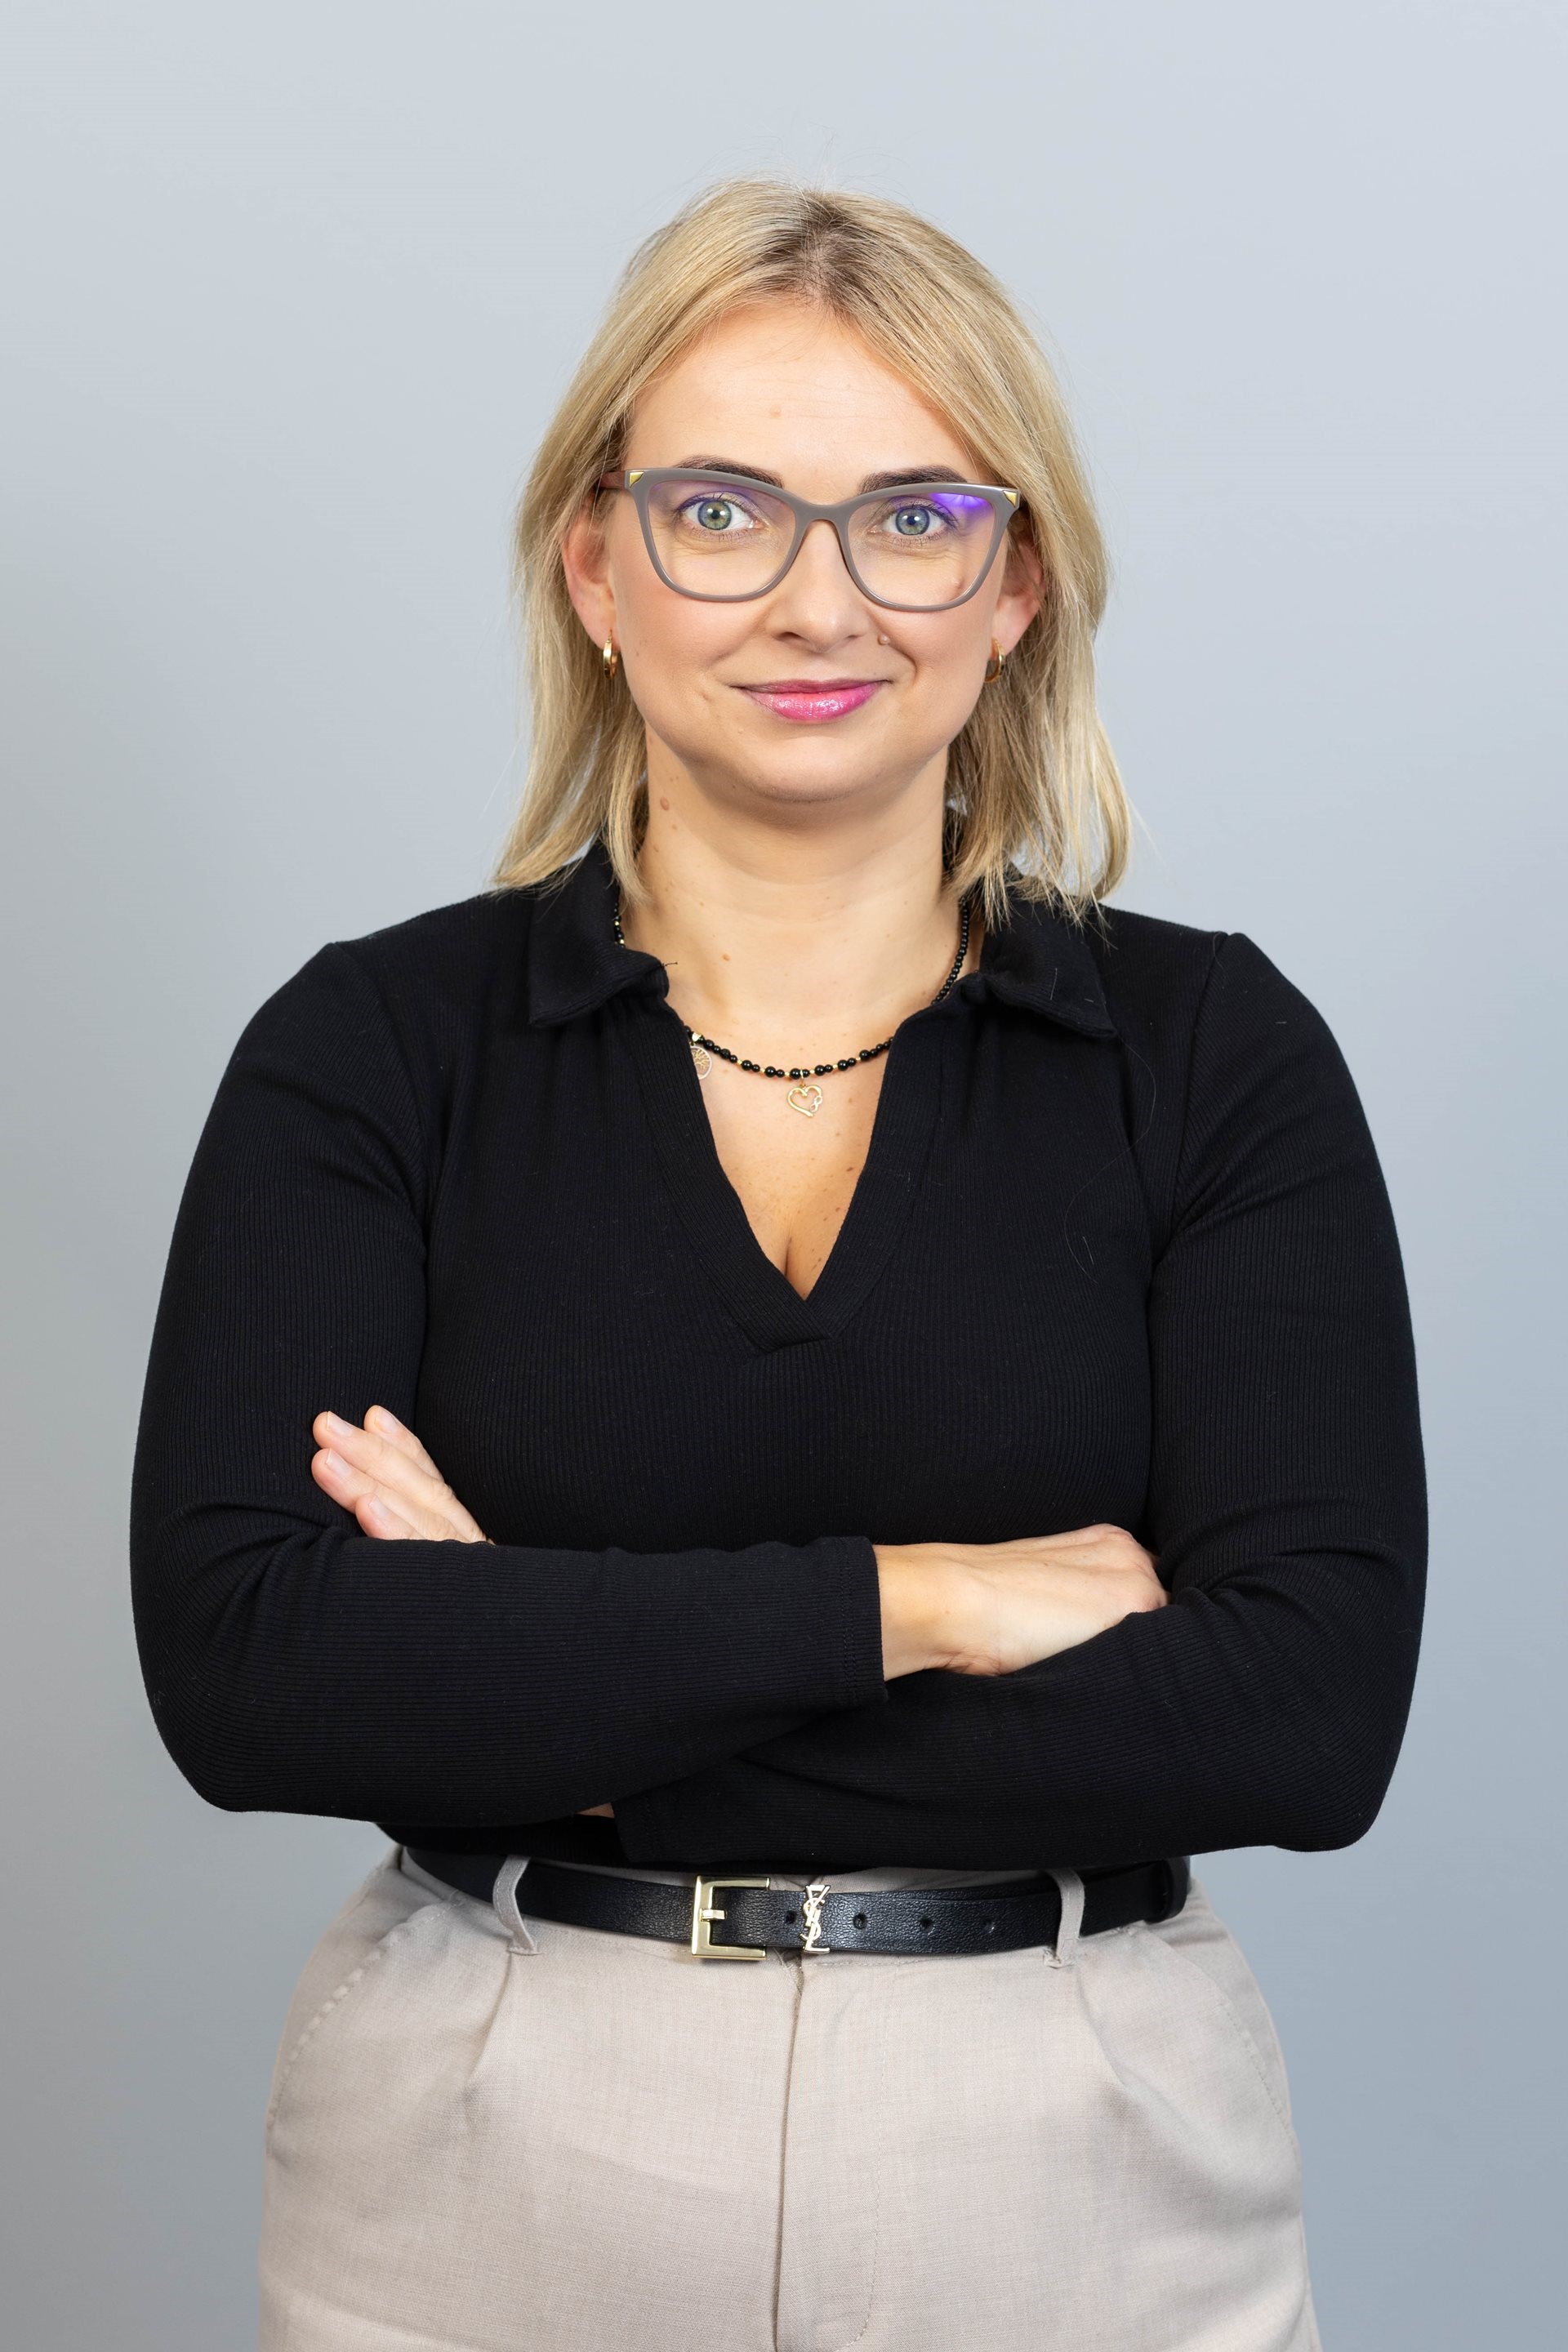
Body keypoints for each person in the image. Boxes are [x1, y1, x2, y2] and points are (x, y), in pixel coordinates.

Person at [128, 177, 1427, 2352]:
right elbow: (253, 1668)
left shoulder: (1213, 1053)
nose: (819, 602)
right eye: (722, 512)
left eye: (913, 518)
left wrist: (532, 1681)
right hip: (490, 2135)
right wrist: (928, 1600)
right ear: (596, 565)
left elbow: (1306, 1717)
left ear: (1015, 582)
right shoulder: (374, 1048)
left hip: (1075, 2148)